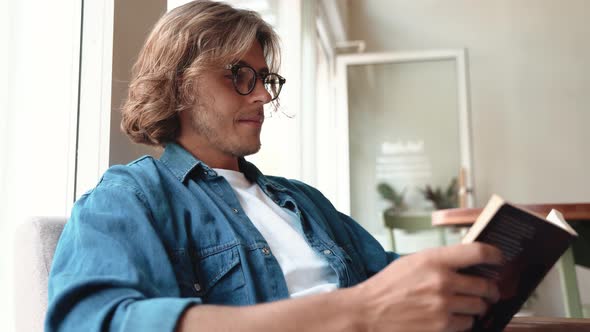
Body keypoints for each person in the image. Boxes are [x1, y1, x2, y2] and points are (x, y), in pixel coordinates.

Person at [46, 1, 502, 331]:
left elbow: (388, 280)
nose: (263, 95)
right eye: (238, 75)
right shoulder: (132, 197)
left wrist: (479, 272)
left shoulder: (303, 200)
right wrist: (356, 313)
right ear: (179, 83)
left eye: (265, 79)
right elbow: (93, 322)